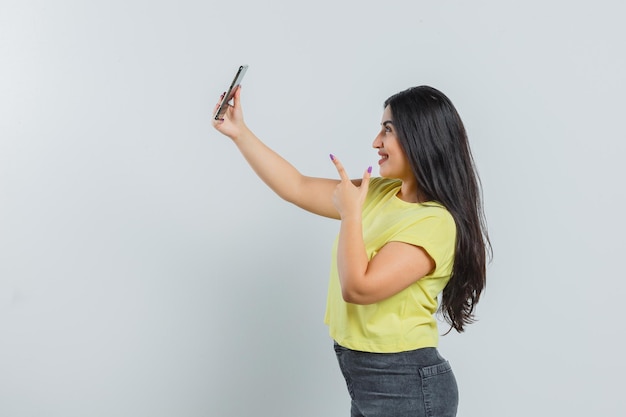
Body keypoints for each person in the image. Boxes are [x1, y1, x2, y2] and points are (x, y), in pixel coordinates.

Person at [212, 83, 491, 417]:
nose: (376, 142)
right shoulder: (380, 193)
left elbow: (359, 287)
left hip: (406, 386)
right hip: (365, 377)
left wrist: (351, 213)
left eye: (387, 130)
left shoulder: (435, 222)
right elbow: (297, 186)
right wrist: (240, 133)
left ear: (420, 137)